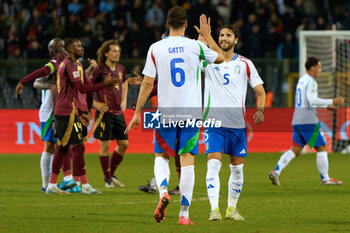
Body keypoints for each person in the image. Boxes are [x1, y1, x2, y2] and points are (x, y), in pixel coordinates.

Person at [125, 7, 224, 225]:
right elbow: (220, 58)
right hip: (190, 112)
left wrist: (137, 113)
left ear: (167, 24)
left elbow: (148, 83)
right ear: (186, 24)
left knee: (161, 157)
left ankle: (162, 193)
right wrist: (207, 37)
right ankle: (184, 216)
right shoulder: (196, 46)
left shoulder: (156, 48)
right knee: (187, 160)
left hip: (166, 112)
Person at [200, 24, 265, 221]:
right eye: (221, 35)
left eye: (229, 35)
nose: (224, 38)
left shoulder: (245, 64)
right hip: (213, 123)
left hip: (237, 124)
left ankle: (231, 209)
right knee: (213, 164)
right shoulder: (207, 62)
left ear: (236, 40)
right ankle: (214, 210)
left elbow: (260, 91)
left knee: (237, 168)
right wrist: (203, 39)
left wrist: (261, 110)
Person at [45, 38, 118, 194]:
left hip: (72, 110)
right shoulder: (68, 65)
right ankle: (83, 185)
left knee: (64, 148)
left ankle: (53, 184)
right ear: (70, 50)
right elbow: (82, 88)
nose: (81, 48)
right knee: (76, 146)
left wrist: (86, 110)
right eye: (77, 46)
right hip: (65, 111)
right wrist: (105, 84)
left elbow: (89, 87)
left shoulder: (77, 65)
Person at [269, 57, 344, 186]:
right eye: (319, 67)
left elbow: (306, 100)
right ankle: (325, 178)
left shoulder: (302, 80)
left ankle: (276, 171)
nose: (320, 70)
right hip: (309, 120)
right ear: (312, 67)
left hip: (297, 119)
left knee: (295, 150)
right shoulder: (311, 81)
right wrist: (331, 101)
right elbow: (312, 100)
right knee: (321, 148)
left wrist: (326, 107)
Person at [15, 38, 66, 192]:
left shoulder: (65, 62)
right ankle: (46, 185)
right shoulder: (52, 64)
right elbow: (37, 82)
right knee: (50, 145)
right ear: (54, 50)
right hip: (49, 111)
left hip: (61, 109)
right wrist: (49, 86)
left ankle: (56, 182)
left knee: (59, 146)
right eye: (59, 48)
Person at [91, 39, 129, 188]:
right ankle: (108, 180)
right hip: (105, 113)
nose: (117, 53)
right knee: (105, 146)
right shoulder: (100, 70)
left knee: (124, 144)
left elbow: (124, 82)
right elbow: (86, 87)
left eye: (118, 51)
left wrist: (124, 100)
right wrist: (94, 103)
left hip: (118, 112)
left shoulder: (121, 69)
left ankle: (110, 175)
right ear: (106, 53)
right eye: (114, 51)